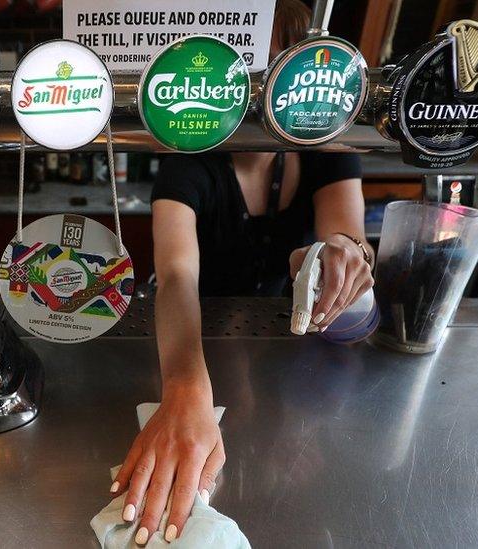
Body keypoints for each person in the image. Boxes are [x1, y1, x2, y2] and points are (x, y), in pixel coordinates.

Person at [108, 0, 376, 544]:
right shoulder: (190, 162)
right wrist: (184, 388)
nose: (256, 87)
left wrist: (337, 256)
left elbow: (350, 235)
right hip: (190, 333)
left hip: (285, 346)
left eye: (273, 64)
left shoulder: (325, 147)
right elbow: (177, 274)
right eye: (244, 66)